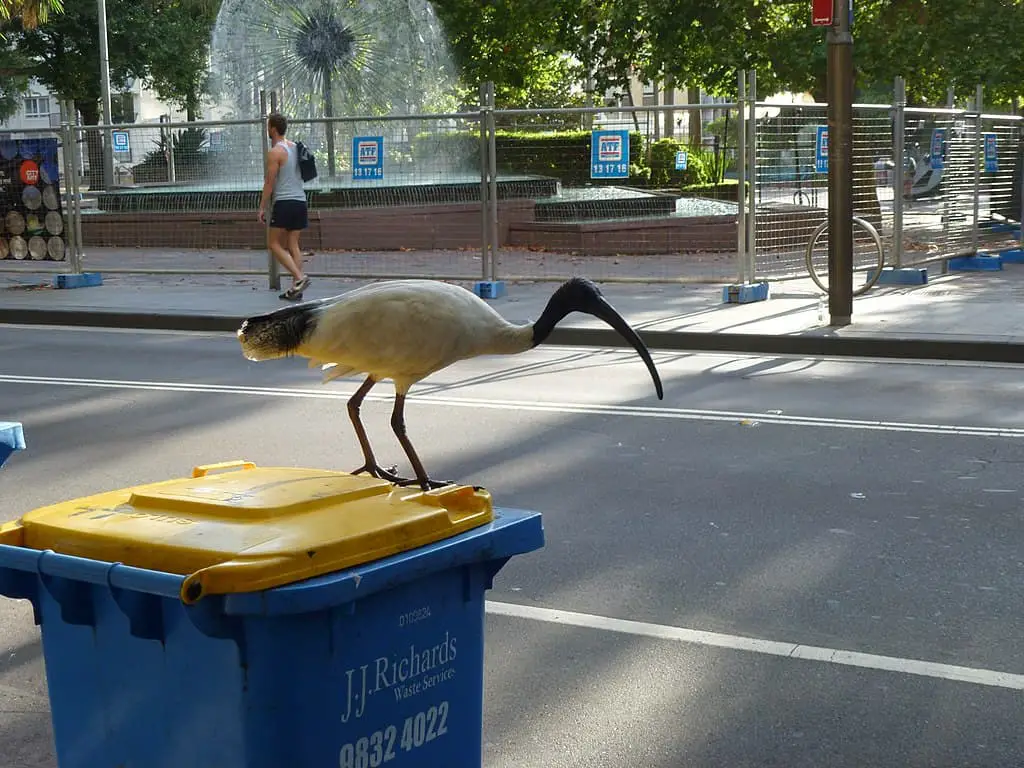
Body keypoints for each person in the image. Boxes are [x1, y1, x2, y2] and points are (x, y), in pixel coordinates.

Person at [258, 112, 311, 301]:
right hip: (300, 201)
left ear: (273, 128)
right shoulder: (296, 147)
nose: (267, 129)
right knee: (293, 244)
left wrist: (262, 206)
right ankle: (296, 290)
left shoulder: (275, 152)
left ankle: (299, 277)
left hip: (285, 202)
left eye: (268, 126)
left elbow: (269, 183)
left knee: (273, 243)